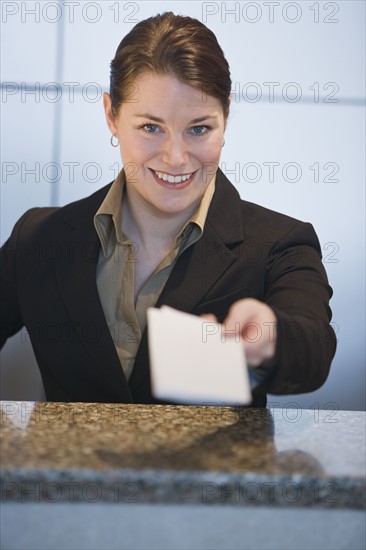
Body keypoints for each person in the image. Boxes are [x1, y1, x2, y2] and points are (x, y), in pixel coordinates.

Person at [0, 12, 336, 406]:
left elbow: (313, 347)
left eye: (199, 128)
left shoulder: (279, 243)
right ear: (111, 115)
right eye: (150, 127)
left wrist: (273, 337)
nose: (176, 158)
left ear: (226, 116)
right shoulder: (41, 237)